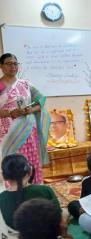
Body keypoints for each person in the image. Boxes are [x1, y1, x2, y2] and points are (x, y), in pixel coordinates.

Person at [0, 154, 61, 239]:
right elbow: (59, 220)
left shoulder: (1, 198)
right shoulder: (44, 190)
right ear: (29, 171)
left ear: (4, 176)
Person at [0, 53, 51, 184]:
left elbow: (41, 101)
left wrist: (30, 110)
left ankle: (34, 187)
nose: (13, 66)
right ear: (1, 66)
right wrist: (10, 113)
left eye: (15, 63)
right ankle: (14, 191)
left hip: (28, 131)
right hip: (8, 133)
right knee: (12, 162)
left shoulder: (26, 84)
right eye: (9, 63)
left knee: (31, 161)